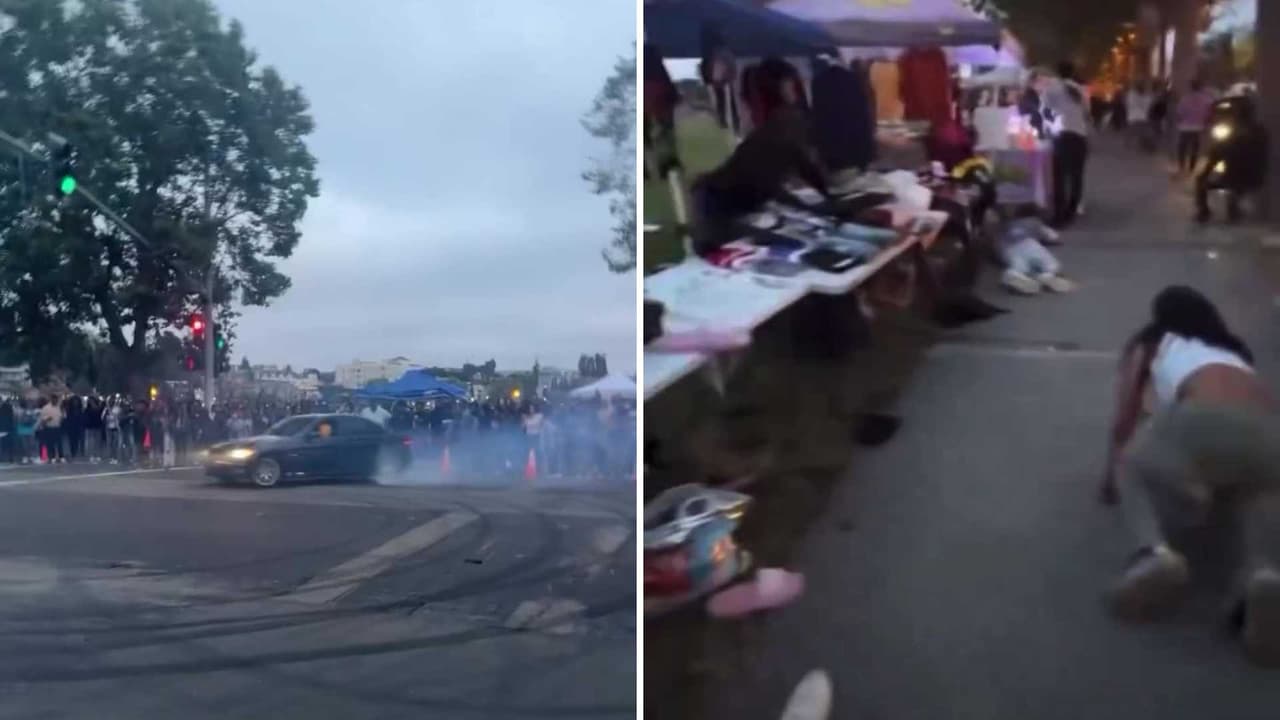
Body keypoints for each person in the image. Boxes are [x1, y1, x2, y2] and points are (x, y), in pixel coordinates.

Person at [1102, 286, 1280, 666]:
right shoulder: (1234, 352)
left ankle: (1155, 554)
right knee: (1248, 490)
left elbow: (1125, 419)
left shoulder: (1157, 342)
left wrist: (1110, 476)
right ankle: (1259, 575)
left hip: (1200, 418)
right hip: (1271, 431)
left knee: (1134, 463)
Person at [692, 58, 831, 254]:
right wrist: (825, 204)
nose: (793, 92)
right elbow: (800, 167)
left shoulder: (778, 121)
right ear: (776, 89)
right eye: (788, 86)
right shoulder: (782, 122)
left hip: (730, 199)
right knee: (727, 252)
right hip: (721, 204)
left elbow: (798, 169)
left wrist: (822, 203)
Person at [1195, 93, 1268, 223]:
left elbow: (1215, 156)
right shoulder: (1260, 131)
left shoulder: (1231, 136)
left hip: (1234, 177)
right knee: (1233, 186)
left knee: (1203, 181)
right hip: (1255, 176)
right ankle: (1233, 210)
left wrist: (1205, 173)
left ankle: (1205, 212)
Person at [1038, 62, 1090, 228]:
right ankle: (1071, 212)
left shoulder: (1052, 88)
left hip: (1062, 136)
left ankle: (1059, 216)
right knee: (1076, 176)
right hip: (1080, 136)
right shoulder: (1080, 89)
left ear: (1057, 72)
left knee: (1059, 177)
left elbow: (1045, 110)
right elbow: (1086, 112)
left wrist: (1047, 129)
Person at [993, 206, 1074, 295]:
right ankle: (1047, 275)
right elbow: (1052, 236)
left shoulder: (1003, 225)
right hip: (1029, 244)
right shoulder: (1035, 222)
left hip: (1007, 248)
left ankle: (1014, 274)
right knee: (1049, 263)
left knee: (1020, 265)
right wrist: (1054, 238)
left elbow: (995, 243)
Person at [1176, 79, 1215, 174]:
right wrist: (1207, 123)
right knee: (1195, 148)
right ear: (1201, 87)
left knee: (1182, 148)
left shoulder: (1185, 98)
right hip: (1198, 127)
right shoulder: (1207, 99)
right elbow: (1210, 112)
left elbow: (1180, 112)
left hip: (1185, 127)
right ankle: (1191, 167)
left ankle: (1182, 166)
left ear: (1191, 87)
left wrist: (1180, 121)